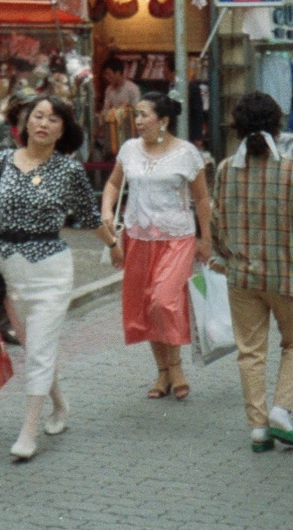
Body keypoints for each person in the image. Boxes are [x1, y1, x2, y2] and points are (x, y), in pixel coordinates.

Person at [0, 96, 114, 461]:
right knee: (35, 349)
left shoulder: (70, 170)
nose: (44, 123)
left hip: (52, 269)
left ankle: (28, 432)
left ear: (64, 129)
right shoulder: (1, 161)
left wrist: (114, 245)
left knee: (40, 349)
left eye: (54, 118)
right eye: (38, 116)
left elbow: (90, 217)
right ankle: (60, 406)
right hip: (10, 270)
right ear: (25, 121)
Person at [210, 91, 293, 453]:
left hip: (242, 278)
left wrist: (227, 256)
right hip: (287, 276)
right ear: (278, 127)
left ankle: (258, 429)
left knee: (250, 352)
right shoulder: (291, 170)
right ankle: (281, 410)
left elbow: (216, 224)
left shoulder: (225, 169)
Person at [101, 92, 212, 400]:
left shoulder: (187, 153)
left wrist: (207, 239)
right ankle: (161, 373)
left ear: (163, 121)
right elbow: (113, 183)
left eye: (143, 116)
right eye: (135, 115)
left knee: (164, 302)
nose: (137, 122)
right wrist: (107, 211)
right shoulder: (129, 150)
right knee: (146, 305)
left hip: (177, 239)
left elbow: (201, 198)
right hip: (137, 237)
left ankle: (175, 367)